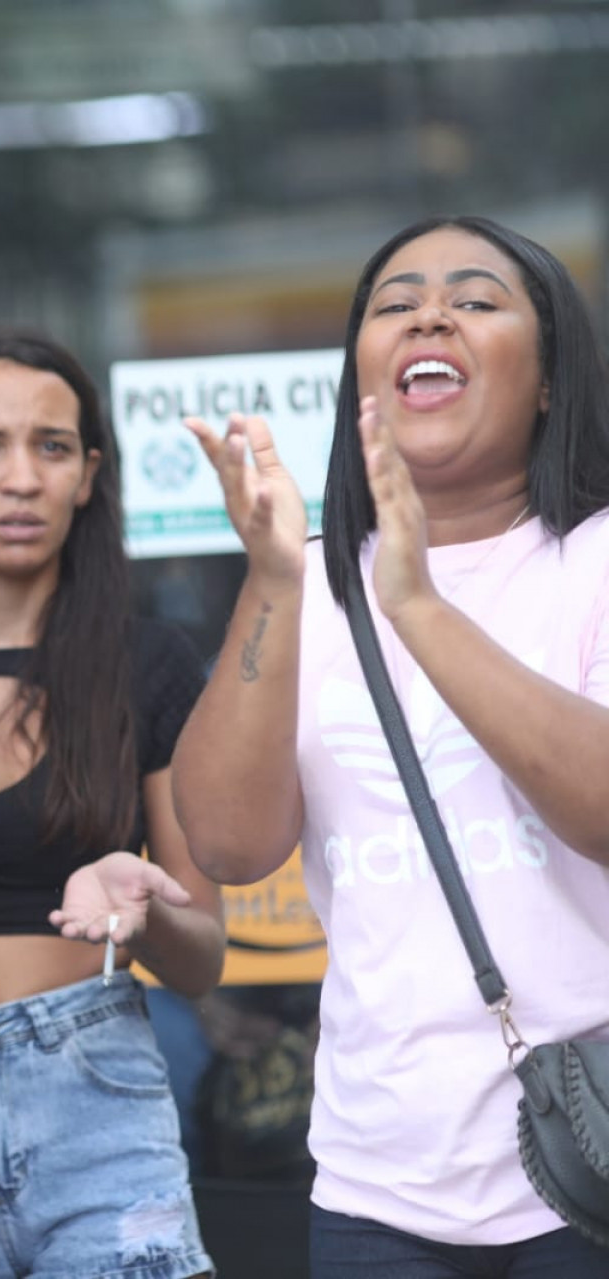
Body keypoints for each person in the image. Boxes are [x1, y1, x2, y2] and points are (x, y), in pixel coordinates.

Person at [173, 215, 609, 1273]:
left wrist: (418, 605)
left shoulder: (593, 560)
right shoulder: (307, 582)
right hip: (376, 1185)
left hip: (586, 1159)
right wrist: (277, 579)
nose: (431, 312)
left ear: (550, 382)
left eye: (477, 297)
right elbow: (229, 844)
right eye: (396, 300)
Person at [0, 328, 223, 1279]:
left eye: (53, 446)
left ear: (88, 475)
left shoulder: (146, 664)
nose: (22, 477)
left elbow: (202, 959)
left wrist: (147, 908)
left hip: (94, 1096)